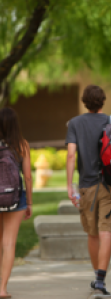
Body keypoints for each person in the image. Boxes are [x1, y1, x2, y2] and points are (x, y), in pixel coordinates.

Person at [66, 85, 111, 297]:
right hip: (110, 185)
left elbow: (72, 155)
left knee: (92, 233)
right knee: (106, 231)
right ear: (103, 101)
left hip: (87, 185)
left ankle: (96, 276)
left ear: (84, 102)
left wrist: (69, 185)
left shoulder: (74, 124)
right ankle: (101, 280)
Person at [0, 108, 33, 298]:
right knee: (9, 243)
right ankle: (2, 289)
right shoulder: (22, 145)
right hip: (14, 197)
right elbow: (27, 177)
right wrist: (29, 202)